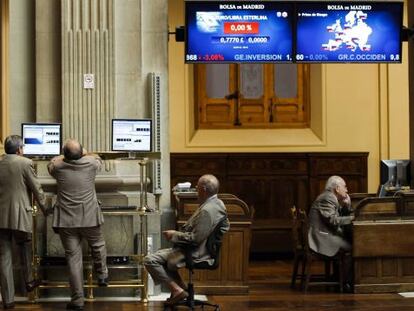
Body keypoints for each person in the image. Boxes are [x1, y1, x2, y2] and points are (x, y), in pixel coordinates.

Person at [144, 174, 230, 305]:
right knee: (161, 259)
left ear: (204, 189)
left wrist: (174, 234)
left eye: (197, 187)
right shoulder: (216, 203)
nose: (196, 189)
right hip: (193, 249)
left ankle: (178, 290)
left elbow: (195, 239)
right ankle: (182, 290)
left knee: (150, 260)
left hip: (195, 252)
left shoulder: (207, 210)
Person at [47, 139, 108, 311]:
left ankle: (78, 300)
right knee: (98, 245)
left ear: (64, 155)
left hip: (66, 220)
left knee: (73, 260)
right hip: (89, 216)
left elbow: (52, 162)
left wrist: (64, 155)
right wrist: (86, 153)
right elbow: (98, 159)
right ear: (82, 153)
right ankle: (102, 274)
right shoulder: (90, 163)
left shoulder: (58, 167)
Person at [0, 135, 48, 309]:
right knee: (25, 246)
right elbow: (37, 189)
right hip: (20, 214)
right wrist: (46, 209)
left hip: (1, 217)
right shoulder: (25, 163)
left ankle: (8, 300)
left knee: (4, 257)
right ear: (20, 149)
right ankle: (28, 281)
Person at [308, 175, 354, 291]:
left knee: (347, 242)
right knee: (351, 248)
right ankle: (345, 283)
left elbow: (336, 217)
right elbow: (332, 220)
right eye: (345, 187)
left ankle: (339, 278)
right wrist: (353, 218)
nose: (347, 190)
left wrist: (346, 206)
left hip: (324, 233)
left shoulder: (330, 197)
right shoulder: (328, 197)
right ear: (337, 188)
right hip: (321, 237)